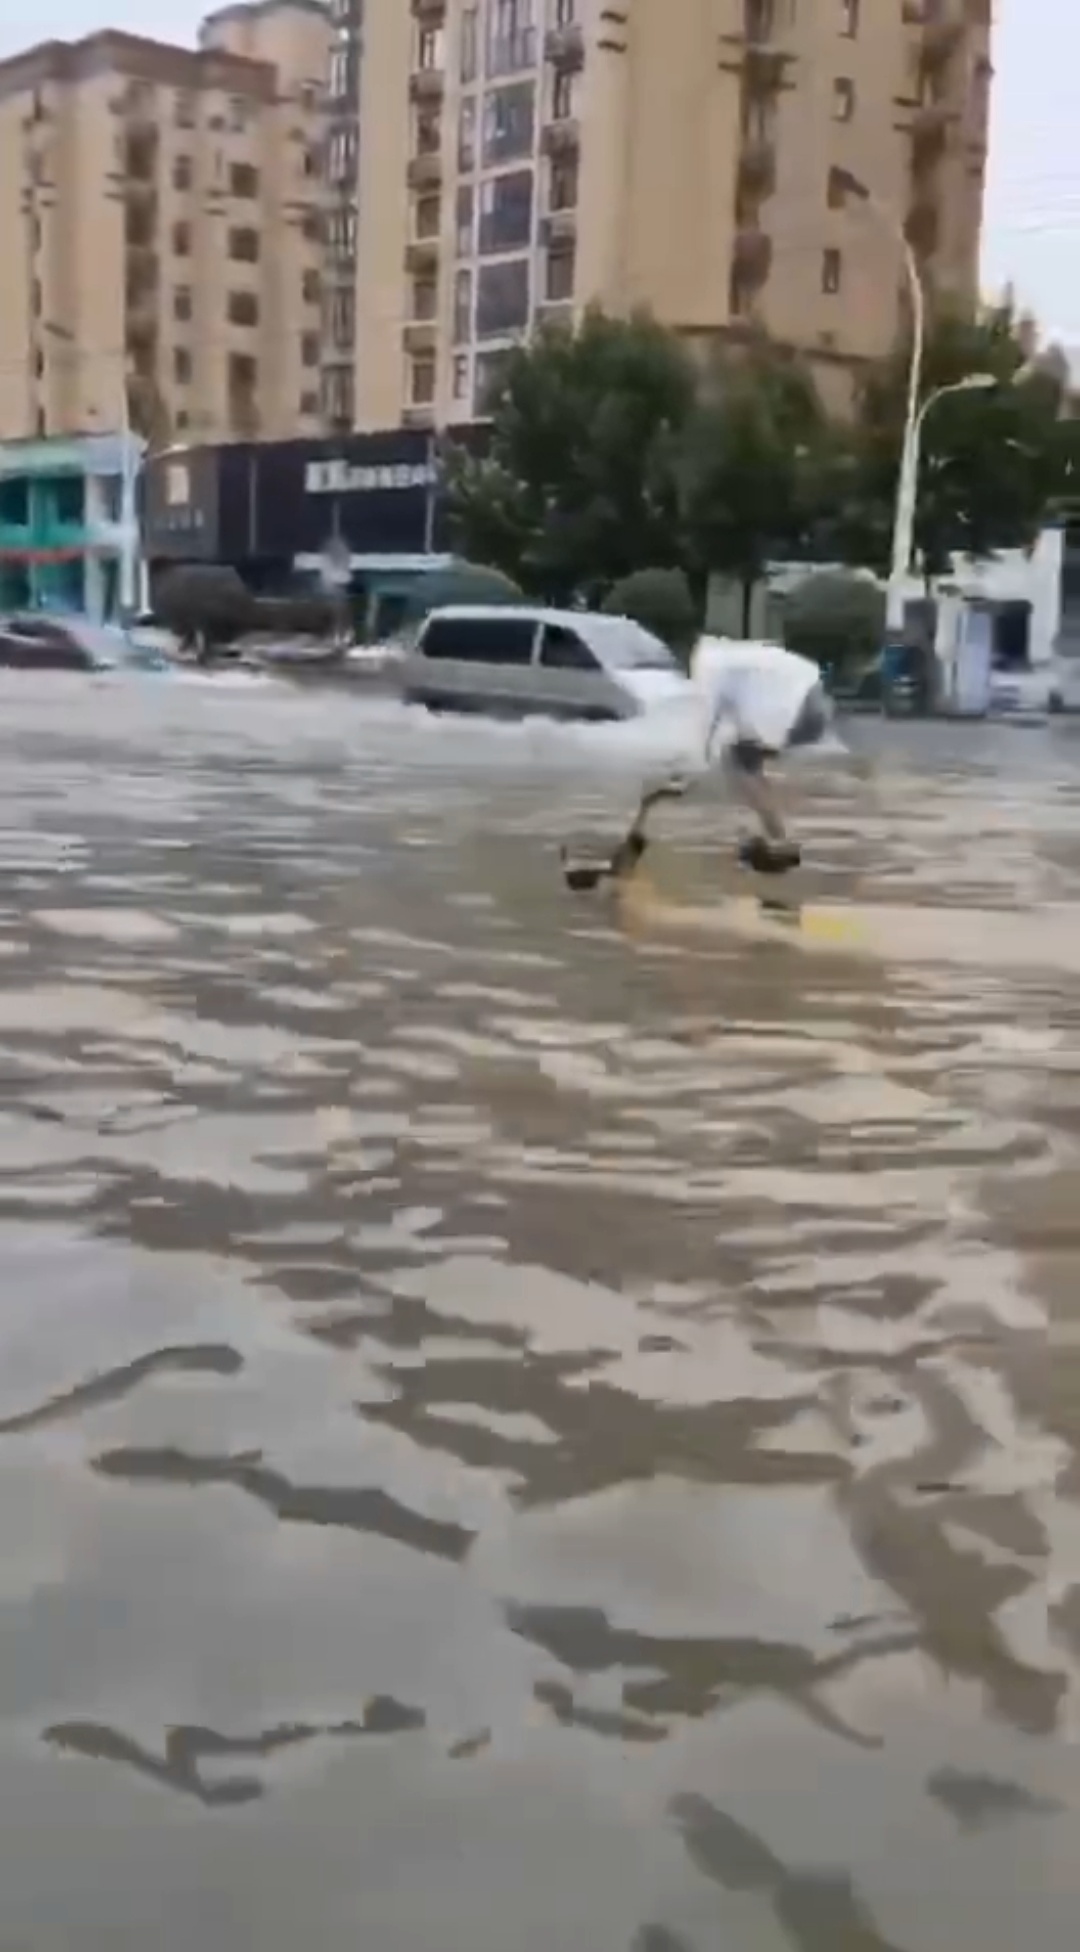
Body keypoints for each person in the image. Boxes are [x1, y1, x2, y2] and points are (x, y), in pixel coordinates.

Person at [693, 636, 830, 853]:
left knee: (737, 763)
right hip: (815, 698)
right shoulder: (727, 654)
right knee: (747, 760)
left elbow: (708, 715)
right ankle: (777, 827)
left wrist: (698, 759)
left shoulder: (707, 663)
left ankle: (778, 836)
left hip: (796, 707)